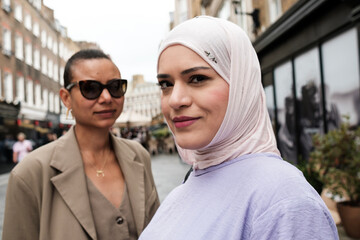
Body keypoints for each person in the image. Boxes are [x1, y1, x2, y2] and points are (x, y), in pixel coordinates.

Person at [139, 16, 339, 239]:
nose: (175, 100)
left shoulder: (283, 199)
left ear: (241, 87)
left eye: (197, 78)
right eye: (166, 84)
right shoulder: (185, 188)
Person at [3, 49, 160, 240]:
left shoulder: (138, 156)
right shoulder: (31, 173)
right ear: (66, 98)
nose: (106, 98)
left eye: (115, 86)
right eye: (91, 88)